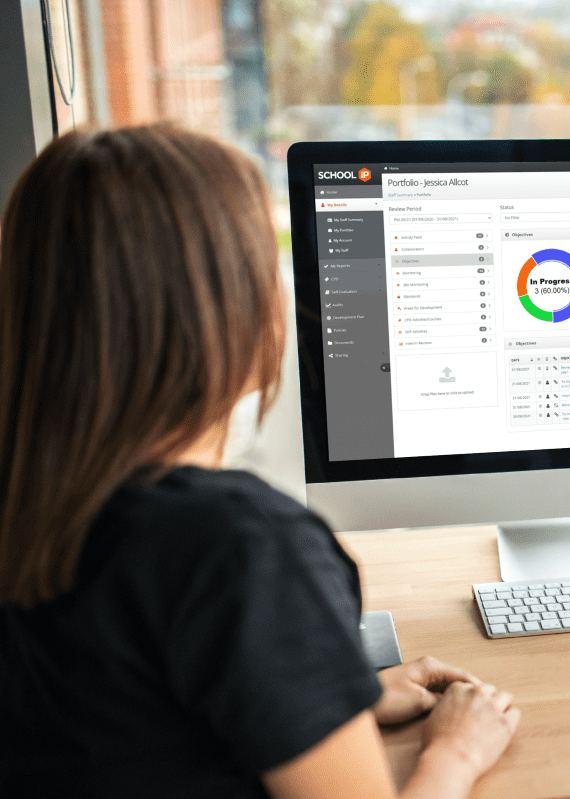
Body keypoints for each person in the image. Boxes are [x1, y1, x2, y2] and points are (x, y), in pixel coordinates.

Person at [0, 124, 519, 798]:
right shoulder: (236, 545)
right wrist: (454, 752)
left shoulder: (34, 508)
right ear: (224, 309)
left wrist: (327, 696)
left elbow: (132, 728)